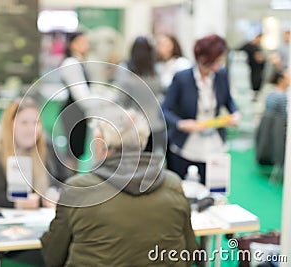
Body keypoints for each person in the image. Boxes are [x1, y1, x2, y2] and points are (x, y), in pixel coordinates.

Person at [41, 107, 198, 266]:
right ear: (142, 142)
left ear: (100, 144)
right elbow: (191, 252)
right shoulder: (172, 183)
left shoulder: (79, 189)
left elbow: (53, 257)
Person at [0, 98, 58, 266]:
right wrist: (23, 204)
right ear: (10, 124)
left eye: (35, 122)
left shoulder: (46, 146)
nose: (31, 129)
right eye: (24, 122)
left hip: (39, 219)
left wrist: (52, 194)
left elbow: (64, 179)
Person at [162, 34, 240, 184]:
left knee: (216, 189)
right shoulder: (182, 78)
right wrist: (181, 124)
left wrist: (235, 113)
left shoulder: (221, 75)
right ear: (203, 58)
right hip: (186, 144)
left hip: (215, 143)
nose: (219, 64)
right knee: (183, 190)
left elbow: (228, 100)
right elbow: (164, 110)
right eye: (216, 60)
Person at [114, 36, 165, 152]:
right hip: (156, 124)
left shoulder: (125, 71)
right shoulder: (157, 70)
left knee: (134, 163)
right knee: (151, 162)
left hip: (134, 125)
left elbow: (122, 99)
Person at [60, 32, 94, 169]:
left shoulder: (80, 62)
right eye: (81, 42)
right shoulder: (71, 63)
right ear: (72, 44)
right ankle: (69, 183)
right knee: (72, 152)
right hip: (73, 113)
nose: (85, 45)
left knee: (77, 151)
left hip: (79, 113)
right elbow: (81, 95)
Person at [256, 69, 289, 166]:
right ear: (281, 80)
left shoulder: (271, 93)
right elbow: (284, 116)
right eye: (288, 78)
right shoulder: (282, 97)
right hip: (278, 133)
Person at [240, 33, 266, 99]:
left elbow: (262, 60)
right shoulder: (248, 46)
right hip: (249, 70)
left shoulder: (258, 48)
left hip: (257, 71)